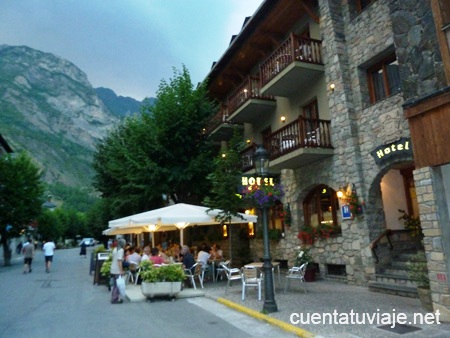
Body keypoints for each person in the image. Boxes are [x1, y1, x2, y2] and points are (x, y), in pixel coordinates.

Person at [110, 238, 126, 304]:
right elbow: (119, 261)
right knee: (118, 284)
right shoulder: (121, 250)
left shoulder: (115, 249)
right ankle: (115, 298)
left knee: (115, 284)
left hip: (113, 268)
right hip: (117, 269)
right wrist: (121, 270)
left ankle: (113, 297)